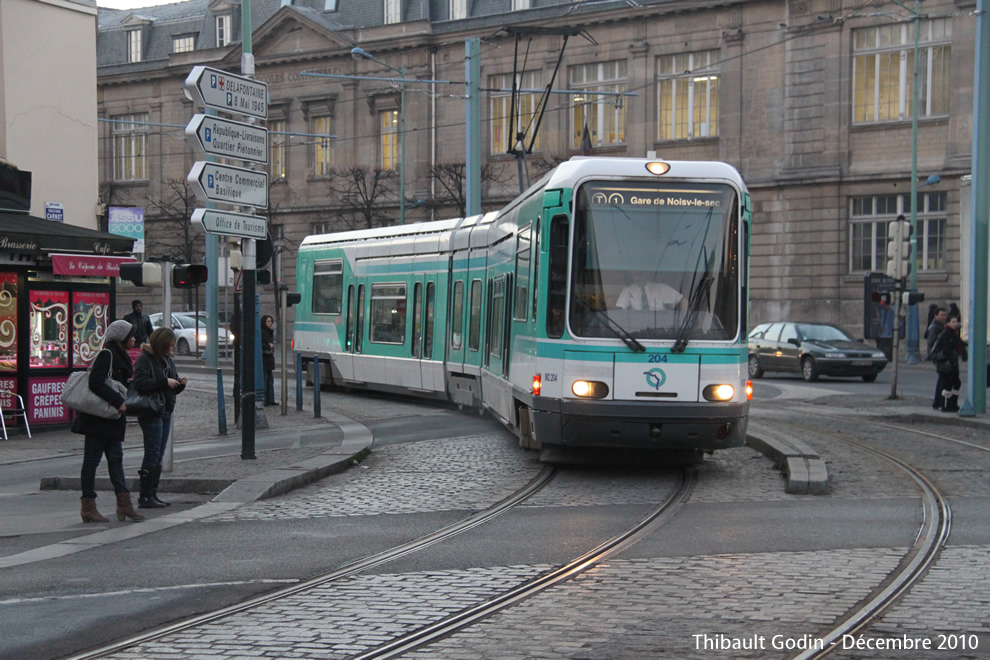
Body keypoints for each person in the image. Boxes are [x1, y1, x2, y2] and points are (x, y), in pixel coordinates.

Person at [73, 320, 145, 523]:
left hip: (112, 418)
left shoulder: (119, 355)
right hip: (98, 418)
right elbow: (95, 382)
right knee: (92, 461)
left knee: (116, 460)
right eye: (131, 335)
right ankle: (88, 507)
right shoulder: (107, 355)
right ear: (121, 338)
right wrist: (118, 401)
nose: (134, 339)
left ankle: (124, 504)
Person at [132, 327, 187, 508]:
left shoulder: (167, 360)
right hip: (151, 411)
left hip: (165, 410)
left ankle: (153, 493)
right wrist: (163, 382)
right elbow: (139, 383)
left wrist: (179, 384)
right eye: (168, 346)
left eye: (172, 346)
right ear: (160, 344)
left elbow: (171, 385)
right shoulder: (145, 360)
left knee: (159, 454)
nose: (171, 350)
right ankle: (145, 495)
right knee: (152, 452)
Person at [931, 313, 967, 413]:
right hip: (946, 363)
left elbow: (960, 344)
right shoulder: (946, 333)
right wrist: (951, 361)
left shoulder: (954, 333)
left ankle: (952, 403)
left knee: (956, 382)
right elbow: (947, 349)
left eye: (957, 321)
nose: (956, 323)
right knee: (947, 384)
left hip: (952, 362)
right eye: (953, 322)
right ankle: (945, 404)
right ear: (948, 323)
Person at [615, 271, 688, 312]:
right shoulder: (627, 290)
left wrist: (682, 320)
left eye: (641, 274)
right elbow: (619, 309)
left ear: (648, 274)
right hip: (636, 329)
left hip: (660, 328)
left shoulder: (660, 288)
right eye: (635, 274)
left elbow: (683, 301)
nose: (638, 278)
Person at [926, 307, 947, 410]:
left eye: (944, 315)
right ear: (936, 316)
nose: (943, 317)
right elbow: (931, 343)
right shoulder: (935, 327)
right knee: (942, 379)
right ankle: (938, 402)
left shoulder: (941, 326)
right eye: (941, 315)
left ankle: (938, 402)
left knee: (942, 379)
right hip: (939, 357)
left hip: (940, 355)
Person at [261, 314, 277, 406]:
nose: (270, 323)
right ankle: (265, 399)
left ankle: (270, 399)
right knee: (265, 380)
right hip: (264, 359)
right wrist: (269, 346)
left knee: (270, 380)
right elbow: (261, 344)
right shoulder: (262, 332)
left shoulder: (269, 332)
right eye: (268, 321)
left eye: (271, 321)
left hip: (269, 359)